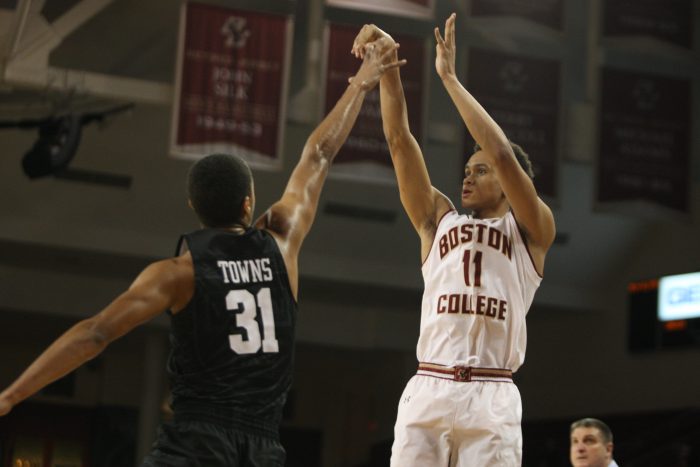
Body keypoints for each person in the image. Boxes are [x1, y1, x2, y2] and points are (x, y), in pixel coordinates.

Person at [0, 37, 405, 466]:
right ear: (248, 204)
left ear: (194, 207)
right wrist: (361, 83)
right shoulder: (281, 241)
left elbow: (95, 334)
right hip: (262, 448)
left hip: (195, 445)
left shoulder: (178, 273)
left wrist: (10, 396)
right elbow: (320, 153)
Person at [352, 13, 556, 467]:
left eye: (480, 171)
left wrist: (449, 79)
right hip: (431, 383)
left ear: (509, 184)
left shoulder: (531, 231)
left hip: (493, 391)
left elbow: (501, 152)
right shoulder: (437, 219)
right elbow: (399, 140)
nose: (467, 177)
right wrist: (389, 63)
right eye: (466, 170)